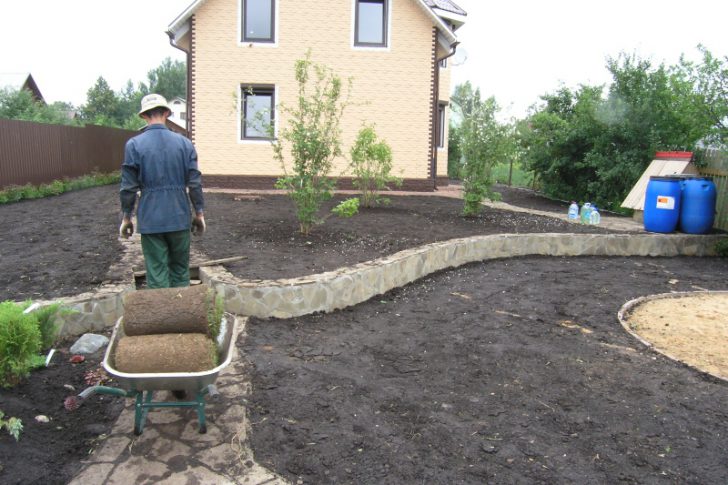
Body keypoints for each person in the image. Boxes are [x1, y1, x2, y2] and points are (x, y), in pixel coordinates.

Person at [119, 93, 205, 288]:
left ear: (143, 116)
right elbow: (195, 183)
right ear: (167, 112)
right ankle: (181, 314)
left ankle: (162, 316)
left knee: (156, 271)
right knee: (180, 269)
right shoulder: (185, 144)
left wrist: (126, 217)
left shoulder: (134, 145)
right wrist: (199, 213)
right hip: (179, 215)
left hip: (150, 219)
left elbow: (128, 187)